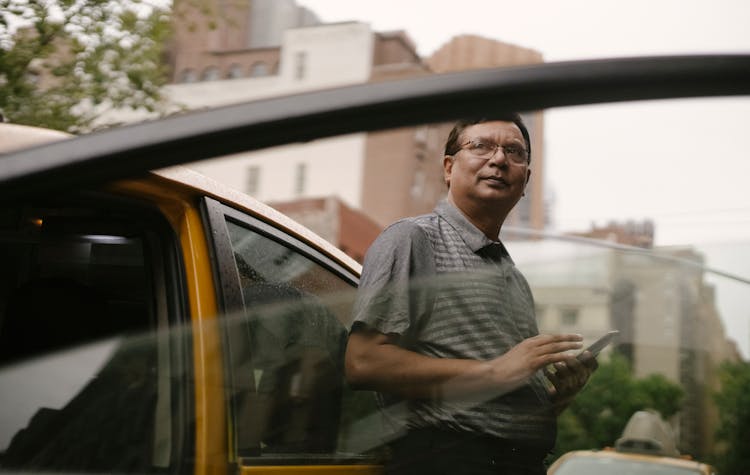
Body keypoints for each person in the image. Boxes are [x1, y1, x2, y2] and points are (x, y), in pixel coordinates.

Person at [345, 115, 598, 475]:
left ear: (525, 180)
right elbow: (363, 362)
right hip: (447, 459)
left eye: (514, 152)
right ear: (448, 168)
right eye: (480, 146)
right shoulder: (413, 238)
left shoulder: (514, 278)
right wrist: (496, 370)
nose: (499, 160)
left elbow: (501, 396)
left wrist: (559, 396)